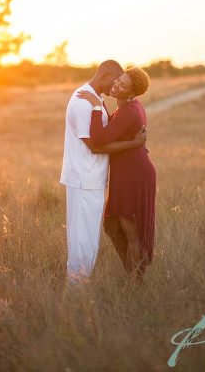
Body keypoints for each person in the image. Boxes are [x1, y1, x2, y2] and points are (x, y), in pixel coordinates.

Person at [59, 60, 146, 285]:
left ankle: (80, 284)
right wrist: (133, 144)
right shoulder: (82, 101)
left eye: (121, 82)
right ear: (105, 75)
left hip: (93, 179)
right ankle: (76, 287)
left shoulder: (96, 99)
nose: (114, 87)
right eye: (115, 81)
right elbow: (95, 145)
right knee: (81, 239)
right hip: (83, 179)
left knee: (89, 238)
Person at [77, 66, 155, 279]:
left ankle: (136, 283)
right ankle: (134, 274)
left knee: (131, 232)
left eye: (123, 84)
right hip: (127, 171)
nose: (116, 84)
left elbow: (100, 140)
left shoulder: (129, 111)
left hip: (133, 173)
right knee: (113, 225)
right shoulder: (129, 107)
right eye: (119, 79)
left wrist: (95, 106)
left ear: (131, 93)